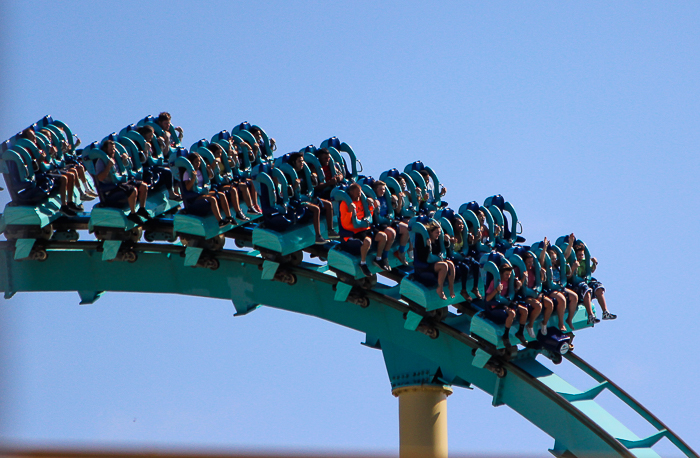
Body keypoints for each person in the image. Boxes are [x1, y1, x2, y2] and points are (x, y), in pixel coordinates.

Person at [340, 183, 395, 276]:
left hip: (366, 227)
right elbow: (345, 223)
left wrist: (370, 205)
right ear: (351, 193)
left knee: (383, 236)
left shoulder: (362, 200)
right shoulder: (345, 204)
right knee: (367, 241)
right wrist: (350, 211)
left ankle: (378, 259)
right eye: (357, 193)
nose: (359, 195)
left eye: (360, 193)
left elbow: (370, 215)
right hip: (356, 230)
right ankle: (363, 263)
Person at [94, 140, 148, 224]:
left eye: (114, 149)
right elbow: (100, 178)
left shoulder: (116, 158)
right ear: (105, 150)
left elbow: (126, 169)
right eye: (111, 149)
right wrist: (108, 166)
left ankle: (142, 209)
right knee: (133, 190)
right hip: (112, 187)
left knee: (143, 186)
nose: (113, 151)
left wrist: (124, 160)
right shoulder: (101, 161)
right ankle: (133, 214)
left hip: (122, 182)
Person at [288, 153, 338, 239]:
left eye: (302, 161)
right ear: (294, 162)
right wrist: (295, 186)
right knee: (316, 209)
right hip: (297, 201)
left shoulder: (304, 171)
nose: (302, 163)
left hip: (308, 197)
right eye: (299, 161)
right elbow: (286, 193)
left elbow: (314, 186)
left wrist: (314, 179)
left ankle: (330, 230)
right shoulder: (289, 175)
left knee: (328, 204)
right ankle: (318, 236)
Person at [568, 238, 617, 323]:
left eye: (582, 255)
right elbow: (567, 277)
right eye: (579, 255)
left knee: (599, 287)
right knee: (586, 290)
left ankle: (605, 312)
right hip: (575, 284)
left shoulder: (584, 262)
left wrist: (594, 264)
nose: (581, 257)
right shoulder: (570, 263)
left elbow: (590, 271)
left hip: (585, 281)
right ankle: (590, 316)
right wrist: (573, 268)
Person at [181, 153, 233, 227]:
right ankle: (220, 221)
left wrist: (209, 170)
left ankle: (228, 217)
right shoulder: (187, 173)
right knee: (212, 199)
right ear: (191, 163)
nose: (198, 164)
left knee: (221, 195)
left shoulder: (200, 171)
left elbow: (209, 178)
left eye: (199, 162)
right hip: (195, 195)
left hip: (203, 192)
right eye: (196, 162)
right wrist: (193, 178)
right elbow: (188, 188)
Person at [135, 126, 181, 201]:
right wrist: (145, 150)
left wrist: (161, 146)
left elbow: (160, 155)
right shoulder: (139, 144)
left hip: (155, 165)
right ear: (144, 134)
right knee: (167, 171)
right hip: (147, 167)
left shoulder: (151, 142)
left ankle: (176, 190)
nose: (151, 137)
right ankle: (171, 193)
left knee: (174, 165)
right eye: (150, 135)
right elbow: (142, 161)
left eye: (152, 135)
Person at [483, 264, 525, 345]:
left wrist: (518, 286)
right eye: (506, 274)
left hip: (507, 302)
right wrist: (496, 290)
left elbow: (514, 292)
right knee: (511, 313)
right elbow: (487, 299)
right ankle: (505, 336)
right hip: (498, 304)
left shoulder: (509, 281)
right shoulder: (494, 282)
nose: (508, 276)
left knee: (524, 310)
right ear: (501, 274)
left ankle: (520, 332)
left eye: (509, 274)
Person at [413, 221, 455, 300]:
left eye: (439, 232)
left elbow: (441, 251)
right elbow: (423, 257)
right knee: (444, 266)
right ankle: (440, 289)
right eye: (436, 232)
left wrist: (446, 241)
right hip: (425, 265)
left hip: (435, 262)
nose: (438, 234)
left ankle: (451, 287)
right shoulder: (422, 241)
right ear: (431, 232)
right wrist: (428, 246)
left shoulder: (436, 241)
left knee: (450, 264)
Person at [371, 180, 409, 265]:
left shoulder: (385, 198)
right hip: (379, 224)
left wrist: (394, 201)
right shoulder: (374, 199)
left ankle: (401, 252)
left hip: (389, 220)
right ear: (375, 190)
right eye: (380, 189)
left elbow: (395, 210)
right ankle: (384, 257)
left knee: (407, 228)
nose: (382, 191)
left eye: (384, 189)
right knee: (392, 233)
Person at [445, 213, 481, 301]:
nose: (461, 226)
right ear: (454, 226)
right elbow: (449, 250)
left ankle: (475, 288)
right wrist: (450, 242)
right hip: (453, 258)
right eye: (458, 224)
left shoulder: (462, 235)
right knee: (465, 268)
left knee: (476, 264)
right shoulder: (451, 236)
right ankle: (463, 290)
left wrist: (474, 239)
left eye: (462, 224)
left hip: (462, 256)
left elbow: (468, 245)